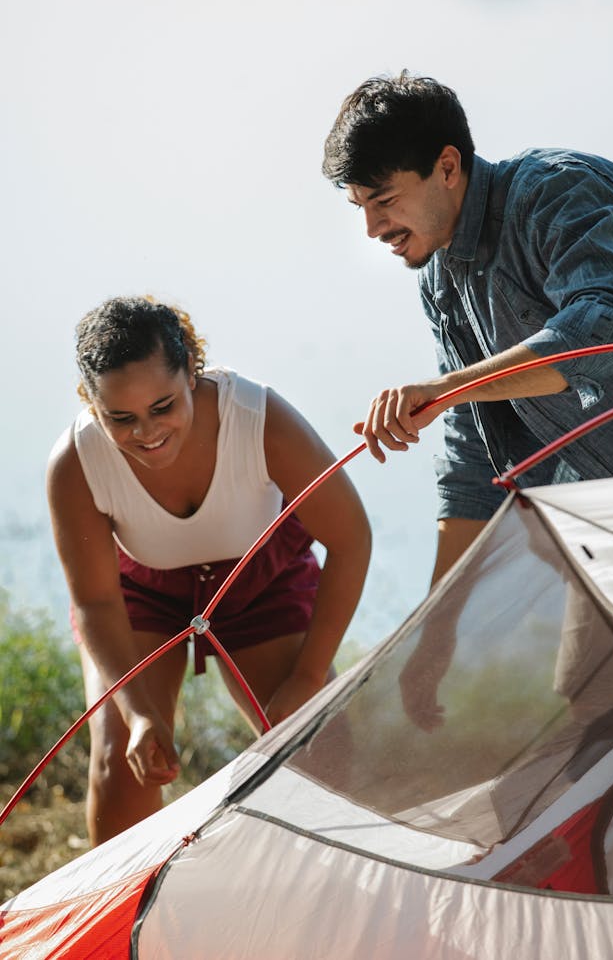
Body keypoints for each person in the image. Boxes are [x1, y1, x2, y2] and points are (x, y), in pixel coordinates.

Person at [322, 71, 613, 727]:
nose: (374, 227)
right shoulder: (441, 280)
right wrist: (435, 636)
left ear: (447, 167)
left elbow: (608, 329)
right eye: (361, 209)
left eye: (384, 201)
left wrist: (445, 388)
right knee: (594, 694)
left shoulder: (553, 188)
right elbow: (471, 459)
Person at [47, 296, 371, 844]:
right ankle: (126, 926)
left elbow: (351, 539)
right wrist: (140, 713)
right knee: (120, 766)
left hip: (261, 579)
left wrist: (308, 675)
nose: (147, 433)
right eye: (119, 418)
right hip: (142, 593)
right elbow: (97, 603)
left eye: (163, 406)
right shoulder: (75, 463)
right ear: (91, 403)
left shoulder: (259, 419)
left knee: (322, 753)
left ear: (191, 370)